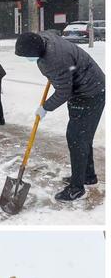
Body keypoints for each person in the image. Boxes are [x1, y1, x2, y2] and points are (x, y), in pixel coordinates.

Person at [15, 31, 105, 202]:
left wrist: (45, 107)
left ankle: (77, 188)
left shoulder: (55, 60)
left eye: (28, 56)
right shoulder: (45, 39)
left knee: (77, 138)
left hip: (90, 93)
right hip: (85, 87)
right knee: (82, 137)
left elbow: (64, 92)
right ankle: (88, 176)